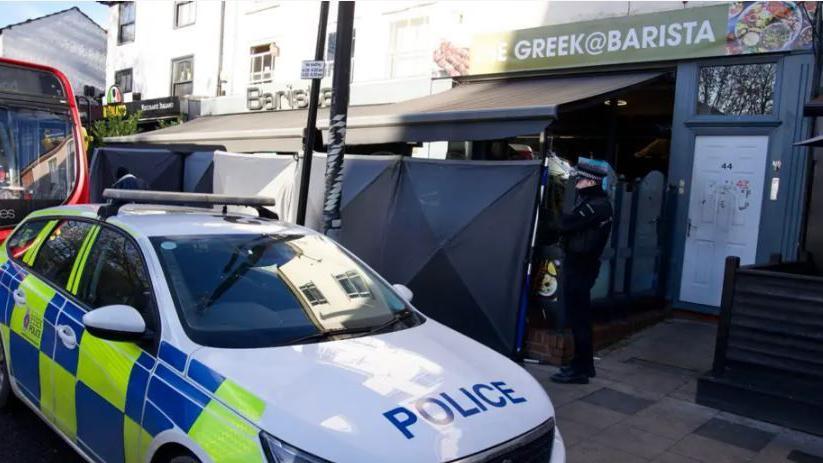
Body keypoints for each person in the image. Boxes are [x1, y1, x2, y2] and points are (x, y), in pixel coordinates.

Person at [550, 158, 614, 385]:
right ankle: (582, 365)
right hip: (580, 266)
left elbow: (565, 223)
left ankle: (581, 368)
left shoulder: (596, 206)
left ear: (589, 182)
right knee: (579, 318)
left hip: (580, 267)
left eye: (579, 179)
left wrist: (553, 202)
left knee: (579, 320)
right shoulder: (595, 202)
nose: (576, 182)